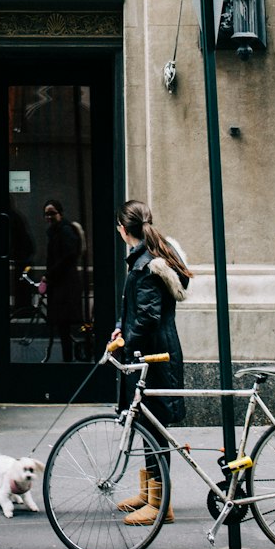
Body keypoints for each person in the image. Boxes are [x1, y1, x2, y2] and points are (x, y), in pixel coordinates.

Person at [108, 198, 192, 526]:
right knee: (146, 423)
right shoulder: (145, 258)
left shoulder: (147, 264)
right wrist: (120, 327)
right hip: (154, 353)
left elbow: (147, 317)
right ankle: (149, 494)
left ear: (122, 229)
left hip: (154, 357)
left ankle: (160, 504)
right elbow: (134, 308)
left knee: (154, 426)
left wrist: (126, 341)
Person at [42, 199, 83, 362]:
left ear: (60, 213)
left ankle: (68, 360)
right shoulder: (56, 231)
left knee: (64, 325)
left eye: (52, 213)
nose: (49, 217)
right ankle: (68, 359)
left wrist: (49, 275)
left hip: (65, 287)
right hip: (61, 285)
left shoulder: (64, 231)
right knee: (63, 326)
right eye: (46, 214)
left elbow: (67, 257)